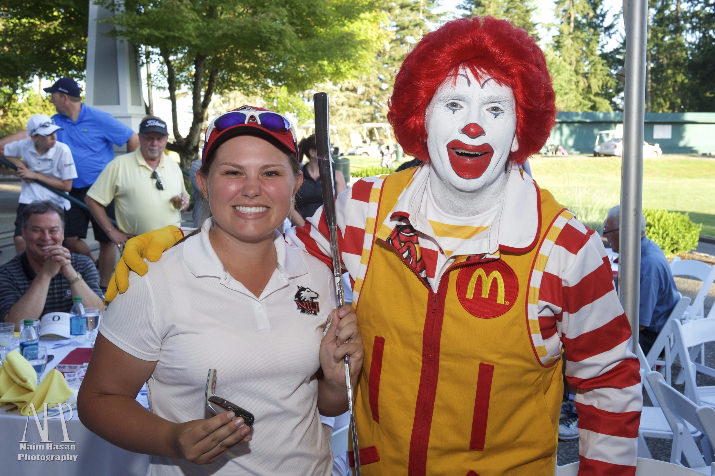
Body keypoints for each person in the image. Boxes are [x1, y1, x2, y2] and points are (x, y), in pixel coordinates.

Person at [107, 17, 641, 474]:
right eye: (454, 103)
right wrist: (179, 241)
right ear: (421, 116)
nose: (475, 126)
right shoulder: (361, 209)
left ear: (521, 124)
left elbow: (611, 385)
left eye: (496, 110)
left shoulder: (568, 248)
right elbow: (277, 253)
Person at [77, 105, 363, 475]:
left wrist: (340, 384)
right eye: (232, 172)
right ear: (202, 182)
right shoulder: (153, 277)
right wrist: (171, 438)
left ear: (295, 184)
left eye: (271, 173)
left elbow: (322, 403)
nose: (251, 189)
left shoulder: (320, 274)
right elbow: (99, 399)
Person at [44, 77, 139, 289]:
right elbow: (33, 138)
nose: (51, 100)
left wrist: (128, 171)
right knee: (69, 238)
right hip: (70, 190)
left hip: (101, 191)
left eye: (54, 96)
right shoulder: (54, 121)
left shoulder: (99, 118)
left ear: (64, 97)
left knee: (107, 239)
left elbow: (132, 138)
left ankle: (103, 288)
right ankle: (92, 263)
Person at [85, 115, 188, 250]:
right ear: (139, 137)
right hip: (138, 247)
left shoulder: (173, 166)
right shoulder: (119, 165)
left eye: (159, 138)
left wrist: (182, 202)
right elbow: (92, 200)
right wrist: (111, 232)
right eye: (149, 138)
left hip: (173, 245)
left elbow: (183, 201)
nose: (154, 143)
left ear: (166, 139)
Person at [0, 201, 103, 329]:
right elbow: (16, 325)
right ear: (24, 233)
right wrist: (46, 274)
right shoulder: (6, 273)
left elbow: (98, 315)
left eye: (53, 230)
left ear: (63, 233)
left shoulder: (83, 264)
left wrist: (70, 272)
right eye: (37, 230)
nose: (46, 237)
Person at [603, 205, 679, 355]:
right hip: (652, 331)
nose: (604, 236)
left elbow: (638, 324)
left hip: (650, 339)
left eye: (607, 231)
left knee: (586, 343)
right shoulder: (645, 248)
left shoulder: (646, 265)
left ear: (623, 232)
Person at [0, 114, 77, 253]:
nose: (54, 137)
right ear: (34, 137)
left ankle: (52, 271)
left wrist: (35, 175)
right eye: (48, 134)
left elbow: (67, 186)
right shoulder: (24, 145)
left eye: (54, 132)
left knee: (52, 241)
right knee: (20, 239)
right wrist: (20, 165)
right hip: (29, 198)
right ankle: (24, 271)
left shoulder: (63, 150)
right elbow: (2, 149)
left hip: (56, 200)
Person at [289, 134, 347, 227]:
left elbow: (343, 206)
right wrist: (307, 229)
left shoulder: (336, 176)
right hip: (300, 231)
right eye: (327, 149)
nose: (331, 153)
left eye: (330, 149)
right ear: (312, 152)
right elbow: (289, 209)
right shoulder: (297, 176)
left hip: (328, 231)